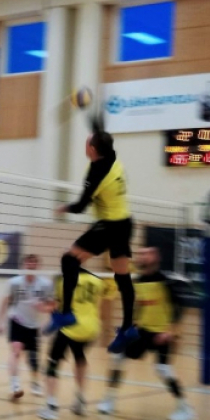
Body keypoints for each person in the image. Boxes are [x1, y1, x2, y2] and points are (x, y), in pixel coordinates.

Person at [51, 111, 138, 355]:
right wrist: (92, 119)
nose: (86, 142)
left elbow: (80, 207)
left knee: (69, 260)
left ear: (92, 149)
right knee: (123, 278)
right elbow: (102, 137)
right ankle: (128, 327)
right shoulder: (111, 155)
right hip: (126, 223)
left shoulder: (96, 174)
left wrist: (64, 208)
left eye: (88, 141)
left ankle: (66, 313)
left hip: (109, 226)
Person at [100, 247, 196, 420]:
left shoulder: (166, 281)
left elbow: (179, 307)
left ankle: (185, 408)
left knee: (163, 369)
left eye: (146, 254)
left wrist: (171, 331)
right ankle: (109, 400)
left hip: (162, 333)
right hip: (143, 332)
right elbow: (140, 305)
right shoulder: (138, 281)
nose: (142, 256)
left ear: (156, 257)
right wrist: (131, 325)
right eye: (140, 254)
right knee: (118, 357)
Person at [38, 262, 107, 420]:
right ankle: (80, 401)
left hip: (71, 327)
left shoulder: (62, 280)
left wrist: (44, 309)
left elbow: (55, 305)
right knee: (79, 358)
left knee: (52, 363)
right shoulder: (96, 280)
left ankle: (51, 407)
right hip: (91, 328)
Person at [0, 254, 52, 400]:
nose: (31, 266)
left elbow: (52, 305)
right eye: (28, 263)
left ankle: (35, 383)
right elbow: (5, 301)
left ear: (38, 266)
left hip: (34, 324)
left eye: (34, 263)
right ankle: (15, 386)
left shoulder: (45, 284)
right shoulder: (14, 282)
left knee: (33, 359)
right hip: (17, 320)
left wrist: (44, 309)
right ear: (23, 265)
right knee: (16, 350)